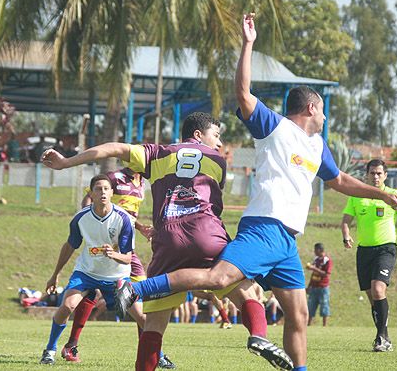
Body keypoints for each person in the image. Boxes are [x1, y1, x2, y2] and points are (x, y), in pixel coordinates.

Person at [114, 13, 397, 371]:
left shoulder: (318, 148)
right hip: (262, 226)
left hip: (286, 239)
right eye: (324, 112)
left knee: (298, 314)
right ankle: (136, 291)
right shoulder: (275, 126)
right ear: (312, 107)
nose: (326, 119)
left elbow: (340, 181)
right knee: (218, 279)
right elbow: (242, 92)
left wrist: (382, 195)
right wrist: (248, 44)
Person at [42, 112, 279, 371]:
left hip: (167, 241)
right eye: (217, 135)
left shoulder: (157, 153)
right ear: (199, 135)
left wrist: (67, 162)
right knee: (249, 291)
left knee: (154, 324)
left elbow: (112, 148)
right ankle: (258, 335)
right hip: (207, 236)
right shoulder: (217, 161)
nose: (219, 143)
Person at [63, 167, 175, 369]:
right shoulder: (114, 177)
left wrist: (140, 228)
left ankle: (154, 353)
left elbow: (129, 214)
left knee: (137, 301)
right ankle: (72, 344)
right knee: (95, 294)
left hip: (124, 248)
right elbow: (95, 197)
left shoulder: (141, 182)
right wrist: (88, 219)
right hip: (108, 245)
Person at [39, 174, 136, 365]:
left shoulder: (123, 218)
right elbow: (70, 246)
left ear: (112, 192)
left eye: (106, 189)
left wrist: (114, 255)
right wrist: (55, 275)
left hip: (116, 275)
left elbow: (128, 257)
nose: (103, 192)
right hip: (87, 272)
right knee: (67, 306)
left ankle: (158, 355)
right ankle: (50, 350)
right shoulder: (81, 218)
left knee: (140, 315)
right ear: (91, 193)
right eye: (98, 189)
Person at [340, 159, 397, 352]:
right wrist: (346, 235)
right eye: (372, 173)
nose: (375, 176)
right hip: (364, 251)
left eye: (379, 173)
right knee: (373, 298)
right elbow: (346, 220)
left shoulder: (394, 195)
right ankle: (384, 336)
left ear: (385, 175)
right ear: (366, 174)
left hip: (386, 249)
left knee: (378, 290)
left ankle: (381, 337)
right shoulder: (357, 195)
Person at [305, 243, 332, 327]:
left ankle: (324, 325)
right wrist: (309, 286)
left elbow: (326, 274)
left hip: (323, 288)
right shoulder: (316, 260)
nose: (314, 251)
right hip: (314, 287)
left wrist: (314, 268)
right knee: (310, 306)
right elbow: (313, 274)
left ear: (320, 250)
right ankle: (308, 324)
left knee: (324, 306)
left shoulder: (327, 261)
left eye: (315, 249)